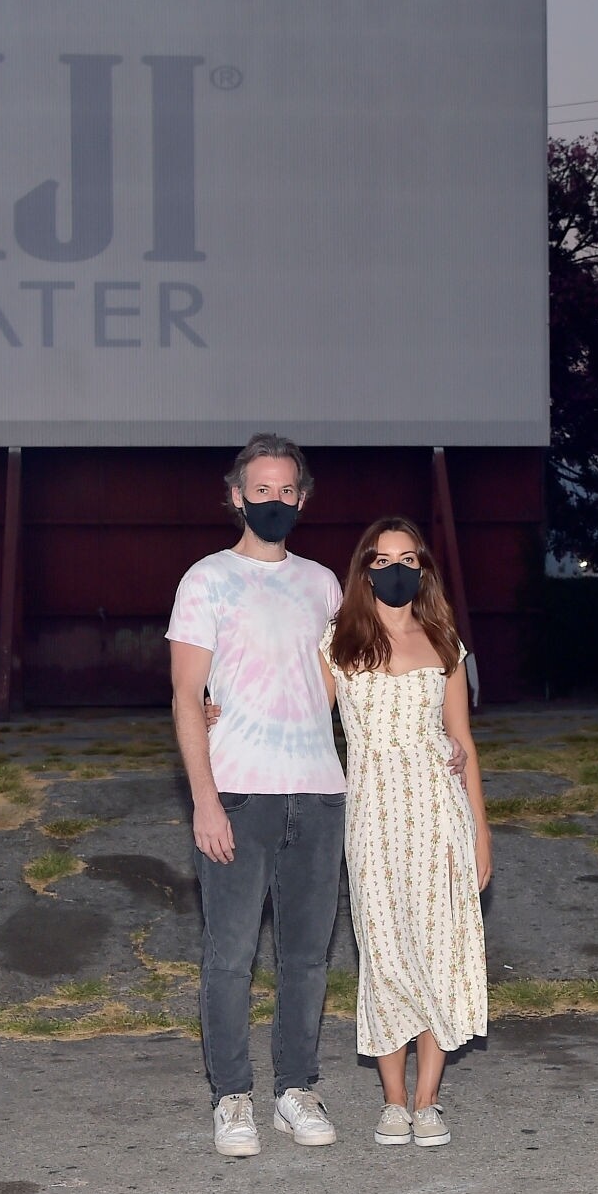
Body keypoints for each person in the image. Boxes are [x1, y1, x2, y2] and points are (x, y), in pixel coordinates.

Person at [168, 434, 349, 1157]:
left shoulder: (324, 584)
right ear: (236, 495)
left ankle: (295, 1089)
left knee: (307, 957)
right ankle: (232, 1096)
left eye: (286, 490)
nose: (274, 500)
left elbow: (336, 686)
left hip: (318, 792)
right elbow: (186, 696)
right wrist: (205, 799)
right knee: (230, 956)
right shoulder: (206, 580)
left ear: (303, 498)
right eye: (261, 489)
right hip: (239, 793)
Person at [322, 517, 490, 1148]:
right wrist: (218, 711)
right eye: (384, 560)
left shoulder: (445, 642)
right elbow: (301, 720)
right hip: (372, 817)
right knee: (384, 952)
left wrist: (481, 833)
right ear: (365, 570)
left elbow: (462, 742)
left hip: (439, 814)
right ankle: (393, 1102)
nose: (397, 570)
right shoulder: (338, 642)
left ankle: (427, 1101)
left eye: (409, 559)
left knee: (437, 951)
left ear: (424, 568)